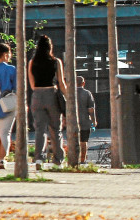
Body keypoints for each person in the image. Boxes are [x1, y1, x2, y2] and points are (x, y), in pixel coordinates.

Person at [28, 35, 67, 170]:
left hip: (37, 95)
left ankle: (39, 158)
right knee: (55, 129)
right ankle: (58, 160)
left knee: (40, 129)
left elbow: (32, 84)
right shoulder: (56, 62)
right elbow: (61, 82)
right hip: (52, 94)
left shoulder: (32, 62)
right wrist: (68, 97)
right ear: (50, 47)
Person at [75, 76, 96, 164]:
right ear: (83, 83)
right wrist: (94, 120)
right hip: (84, 122)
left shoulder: (70, 93)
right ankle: (82, 161)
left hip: (73, 122)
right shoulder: (87, 93)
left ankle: (73, 160)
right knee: (84, 142)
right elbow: (91, 109)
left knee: (74, 141)